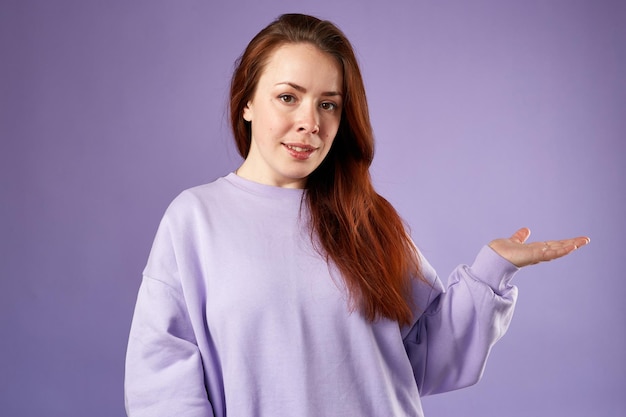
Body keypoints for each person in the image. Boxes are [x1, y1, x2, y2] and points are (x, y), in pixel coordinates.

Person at [124, 13, 589, 417]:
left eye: (328, 104)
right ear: (247, 101)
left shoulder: (363, 217)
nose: (311, 122)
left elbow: (430, 360)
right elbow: (160, 382)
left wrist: (492, 269)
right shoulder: (196, 220)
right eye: (288, 97)